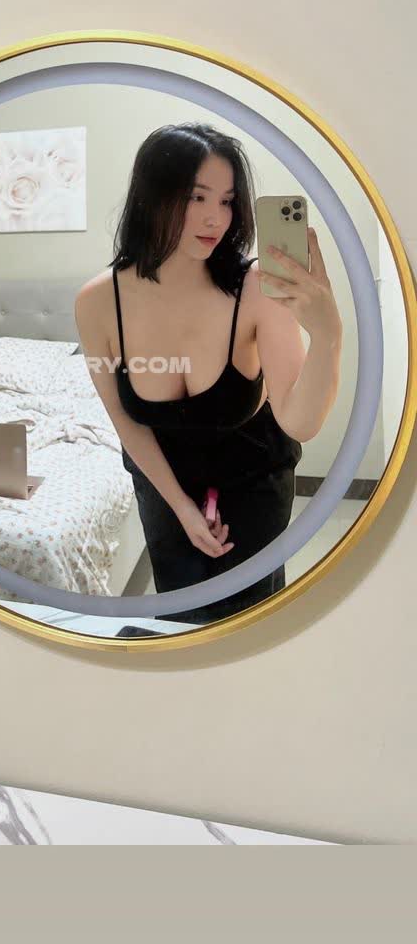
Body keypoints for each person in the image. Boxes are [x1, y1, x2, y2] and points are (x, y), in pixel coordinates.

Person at [74, 123, 343, 625]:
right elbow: (124, 419)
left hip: (253, 480)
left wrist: (329, 335)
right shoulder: (98, 303)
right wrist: (181, 507)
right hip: (163, 482)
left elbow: (300, 422)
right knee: (181, 620)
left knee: (251, 621)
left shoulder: (255, 287)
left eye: (227, 201)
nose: (215, 217)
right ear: (152, 195)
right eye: (197, 197)